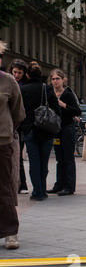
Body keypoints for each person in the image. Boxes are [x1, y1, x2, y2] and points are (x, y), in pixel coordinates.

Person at [20, 62, 61, 201]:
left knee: (34, 162)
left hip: (30, 129)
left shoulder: (23, 89)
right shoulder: (47, 89)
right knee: (44, 161)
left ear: (27, 75)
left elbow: (19, 111)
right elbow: (57, 109)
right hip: (46, 129)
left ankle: (37, 191)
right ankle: (42, 190)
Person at [0, 41, 26, 249]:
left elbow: (18, 113)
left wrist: (7, 130)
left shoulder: (8, 82)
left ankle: (10, 233)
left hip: (2, 142)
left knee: (4, 186)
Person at [46, 69, 81, 196]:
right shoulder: (49, 93)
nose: (55, 81)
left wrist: (63, 105)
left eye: (57, 79)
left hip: (67, 128)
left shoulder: (68, 94)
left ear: (63, 80)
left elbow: (77, 111)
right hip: (55, 129)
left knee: (68, 158)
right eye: (53, 79)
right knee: (59, 158)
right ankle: (58, 184)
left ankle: (69, 186)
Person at [7, 59, 28, 194]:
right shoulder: (7, 82)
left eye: (20, 72)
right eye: (15, 72)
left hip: (19, 125)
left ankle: (22, 184)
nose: (17, 75)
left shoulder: (23, 86)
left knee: (18, 155)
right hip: (8, 124)